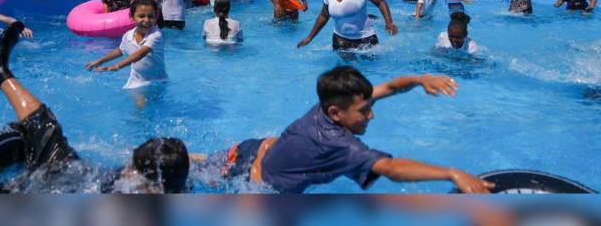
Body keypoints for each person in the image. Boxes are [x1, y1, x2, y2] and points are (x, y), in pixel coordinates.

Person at [192, 66, 493, 193]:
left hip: (251, 149)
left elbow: (388, 87)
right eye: (364, 111)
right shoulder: (336, 143)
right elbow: (390, 167)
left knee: (200, 165)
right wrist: (452, 172)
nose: (371, 115)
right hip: (248, 180)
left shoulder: (328, 105)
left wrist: (419, 79)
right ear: (336, 113)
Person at [0, 21, 189, 193]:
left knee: (45, 127)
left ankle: (0, 74)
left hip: (57, 181)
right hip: (72, 176)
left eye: (132, 164)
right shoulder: (174, 187)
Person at [86, 0, 167, 89]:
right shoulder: (128, 35)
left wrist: (116, 66)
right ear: (132, 17)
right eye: (141, 16)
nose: (147, 20)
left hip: (157, 81)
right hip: (136, 80)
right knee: (140, 103)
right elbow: (120, 50)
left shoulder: (156, 35)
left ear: (156, 17)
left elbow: (141, 54)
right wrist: (99, 61)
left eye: (151, 16)